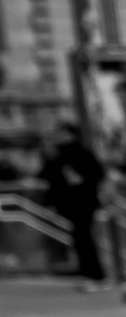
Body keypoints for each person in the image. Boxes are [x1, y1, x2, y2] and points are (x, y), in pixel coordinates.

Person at [40, 120, 107, 287]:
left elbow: (95, 174)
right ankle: (89, 272)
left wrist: (80, 182)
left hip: (82, 201)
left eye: (62, 133)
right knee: (80, 237)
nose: (58, 136)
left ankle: (94, 274)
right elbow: (49, 177)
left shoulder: (76, 154)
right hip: (74, 202)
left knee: (83, 237)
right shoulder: (59, 155)